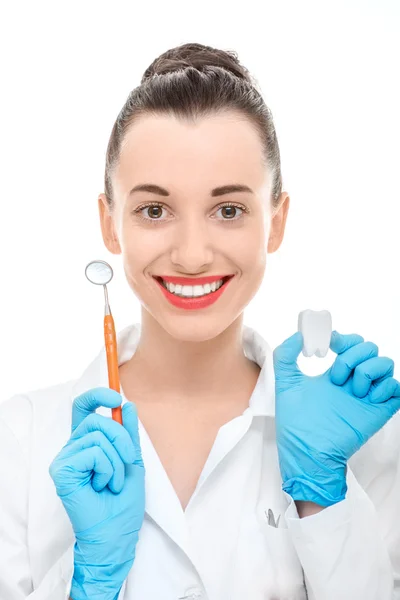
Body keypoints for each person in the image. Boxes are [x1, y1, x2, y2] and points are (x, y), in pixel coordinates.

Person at [1, 42, 399, 600]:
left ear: (277, 222)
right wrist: (89, 581)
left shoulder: (357, 441)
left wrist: (321, 494)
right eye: (154, 210)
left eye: (229, 210)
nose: (191, 255)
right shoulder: (22, 438)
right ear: (110, 223)